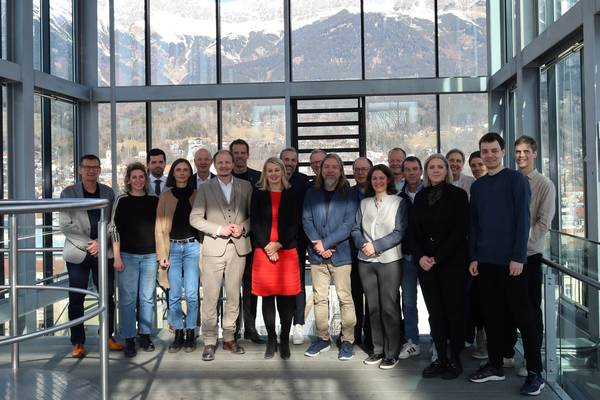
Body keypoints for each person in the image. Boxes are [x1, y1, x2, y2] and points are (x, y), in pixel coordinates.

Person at [467, 133, 544, 396]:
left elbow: (523, 220)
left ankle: (535, 373)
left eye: (493, 150)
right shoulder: (478, 186)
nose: (489, 155)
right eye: (484, 151)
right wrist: (474, 256)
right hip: (485, 263)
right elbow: (474, 225)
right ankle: (495, 365)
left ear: (502, 152)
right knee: (492, 317)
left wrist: (519, 257)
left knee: (524, 318)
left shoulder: (516, 180)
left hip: (513, 263)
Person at [411, 154, 469, 380]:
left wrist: (437, 257)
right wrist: (420, 257)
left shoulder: (458, 195)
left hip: (451, 264)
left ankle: (455, 358)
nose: (435, 170)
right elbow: (413, 232)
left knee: (454, 312)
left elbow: (460, 231)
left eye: (440, 167)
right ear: (426, 172)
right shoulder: (420, 196)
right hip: (426, 266)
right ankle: (441, 358)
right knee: (435, 314)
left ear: (447, 170)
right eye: (431, 167)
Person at [190, 150, 252, 361]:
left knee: (234, 295)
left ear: (233, 164)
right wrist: (218, 229)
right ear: (215, 165)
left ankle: (229, 337)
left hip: (238, 249)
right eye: (220, 163)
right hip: (213, 249)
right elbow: (195, 218)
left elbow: (254, 216)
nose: (224, 165)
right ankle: (209, 341)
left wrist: (242, 227)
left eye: (227, 162)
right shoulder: (205, 188)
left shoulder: (246, 186)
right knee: (211, 297)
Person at [59, 154, 123, 358]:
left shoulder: (108, 192)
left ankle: (107, 336)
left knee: (107, 295)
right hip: (78, 253)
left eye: (95, 167)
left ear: (99, 169)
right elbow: (65, 225)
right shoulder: (68, 193)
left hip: (103, 251)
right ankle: (77, 342)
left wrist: (100, 242)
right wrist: (90, 244)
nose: (91, 170)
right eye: (87, 167)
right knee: (76, 297)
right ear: (79, 170)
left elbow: (112, 222)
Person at [303, 153, 358, 360]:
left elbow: (348, 224)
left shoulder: (349, 194)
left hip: (341, 254)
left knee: (345, 298)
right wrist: (318, 245)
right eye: (327, 166)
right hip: (317, 256)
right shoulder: (312, 193)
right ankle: (323, 339)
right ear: (321, 169)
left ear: (341, 170)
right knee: (320, 298)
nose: (330, 170)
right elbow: (306, 220)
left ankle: (347, 340)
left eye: (335, 167)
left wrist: (325, 244)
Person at [508, 135, 555, 377]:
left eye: (526, 151)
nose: (521, 155)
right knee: (509, 307)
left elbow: (543, 223)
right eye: (518, 151)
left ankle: (531, 359)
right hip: (507, 256)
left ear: (534, 153)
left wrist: (519, 246)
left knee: (531, 310)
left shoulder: (545, 184)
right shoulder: (511, 180)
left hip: (529, 256)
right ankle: (507, 352)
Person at [351, 164, 406, 369]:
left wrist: (376, 246)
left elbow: (399, 232)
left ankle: (392, 353)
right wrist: (364, 246)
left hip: (390, 260)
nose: (378, 181)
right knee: (373, 308)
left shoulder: (398, 202)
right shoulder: (364, 203)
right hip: (366, 261)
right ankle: (378, 349)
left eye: (382, 178)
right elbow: (355, 229)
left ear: (388, 179)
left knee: (389, 307)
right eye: (374, 178)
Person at [251, 157, 301, 360]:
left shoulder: (292, 194)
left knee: (286, 299)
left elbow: (295, 224)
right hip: (264, 252)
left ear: (282, 172)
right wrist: (267, 246)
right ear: (265, 173)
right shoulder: (258, 193)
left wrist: (278, 244)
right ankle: (271, 340)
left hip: (286, 251)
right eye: (269, 170)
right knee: (267, 297)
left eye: (276, 170)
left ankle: (284, 339)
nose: (273, 174)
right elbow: (254, 222)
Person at [110, 162, 159, 357]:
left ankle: (145, 335)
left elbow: (161, 228)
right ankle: (129, 338)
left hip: (150, 256)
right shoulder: (122, 200)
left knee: (147, 298)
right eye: (134, 177)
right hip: (127, 256)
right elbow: (114, 228)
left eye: (141, 177)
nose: (138, 180)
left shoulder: (154, 200)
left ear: (145, 180)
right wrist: (117, 256)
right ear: (128, 180)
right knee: (128, 299)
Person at [155, 158, 200, 353]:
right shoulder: (165, 196)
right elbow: (159, 227)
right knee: (173, 295)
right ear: (173, 173)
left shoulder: (197, 194)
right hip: (172, 249)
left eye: (185, 170)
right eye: (178, 170)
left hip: (192, 248)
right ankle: (178, 333)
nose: (182, 173)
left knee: (191, 294)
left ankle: (190, 332)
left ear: (190, 173)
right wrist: (161, 254)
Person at [229, 138, 263, 344]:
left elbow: (260, 211)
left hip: (251, 241)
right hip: (227, 242)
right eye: (236, 153)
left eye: (243, 153)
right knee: (231, 287)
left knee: (250, 286)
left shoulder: (258, 178)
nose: (239, 156)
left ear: (248, 155)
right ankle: (232, 329)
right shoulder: (222, 177)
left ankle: (250, 328)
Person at [280, 147, 311, 345]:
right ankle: (283, 324)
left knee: (298, 282)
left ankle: (298, 324)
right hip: (274, 242)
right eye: (286, 159)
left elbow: (307, 211)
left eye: (293, 160)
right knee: (278, 283)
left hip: (297, 240)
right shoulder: (272, 178)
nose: (289, 163)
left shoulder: (303, 181)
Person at [398, 156, 424, 360]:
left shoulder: (431, 193)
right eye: (408, 169)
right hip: (407, 258)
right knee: (408, 302)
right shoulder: (399, 198)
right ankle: (412, 341)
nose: (412, 173)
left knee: (435, 303)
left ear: (421, 171)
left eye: (415, 169)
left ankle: (438, 342)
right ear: (403, 173)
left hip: (429, 259)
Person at [350, 157, 373, 353]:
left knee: (373, 298)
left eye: (364, 169)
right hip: (352, 251)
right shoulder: (347, 193)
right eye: (357, 169)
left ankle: (373, 337)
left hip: (376, 253)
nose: (360, 172)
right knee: (355, 296)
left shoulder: (379, 191)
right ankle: (355, 335)